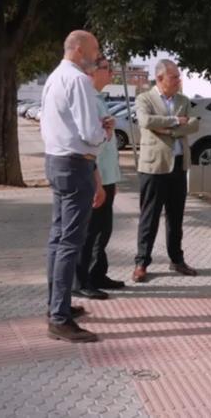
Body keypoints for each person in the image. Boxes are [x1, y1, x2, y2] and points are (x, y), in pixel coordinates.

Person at [40, 30, 114, 343]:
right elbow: (88, 131)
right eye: (95, 49)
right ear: (80, 48)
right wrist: (105, 130)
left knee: (58, 239)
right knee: (70, 242)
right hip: (75, 165)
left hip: (57, 162)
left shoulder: (55, 77)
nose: (98, 55)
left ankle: (56, 305)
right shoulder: (80, 81)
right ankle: (59, 318)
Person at [133, 59, 200, 282]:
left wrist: (167, 130)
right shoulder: (145, 98)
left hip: (179, 166)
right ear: (160, 78)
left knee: (176, 217)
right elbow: (145, 120)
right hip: (154, 167)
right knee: (149, 217)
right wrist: (174, 121)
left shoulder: (183, 100)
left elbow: (193, 124)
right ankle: (142, 262)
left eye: (179, 76)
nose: (179, 80)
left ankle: (177, 260)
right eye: (174, 77)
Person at [72, 57, 125, 300]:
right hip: (96, 176)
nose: (111, 73)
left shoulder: (97, 98)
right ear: (93, 72)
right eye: (107, 68)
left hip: (107, 175)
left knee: (103, 229)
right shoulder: (87, 99)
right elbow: (88, 138)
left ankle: (98, 273)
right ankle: (82, 280)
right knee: (91, 231)